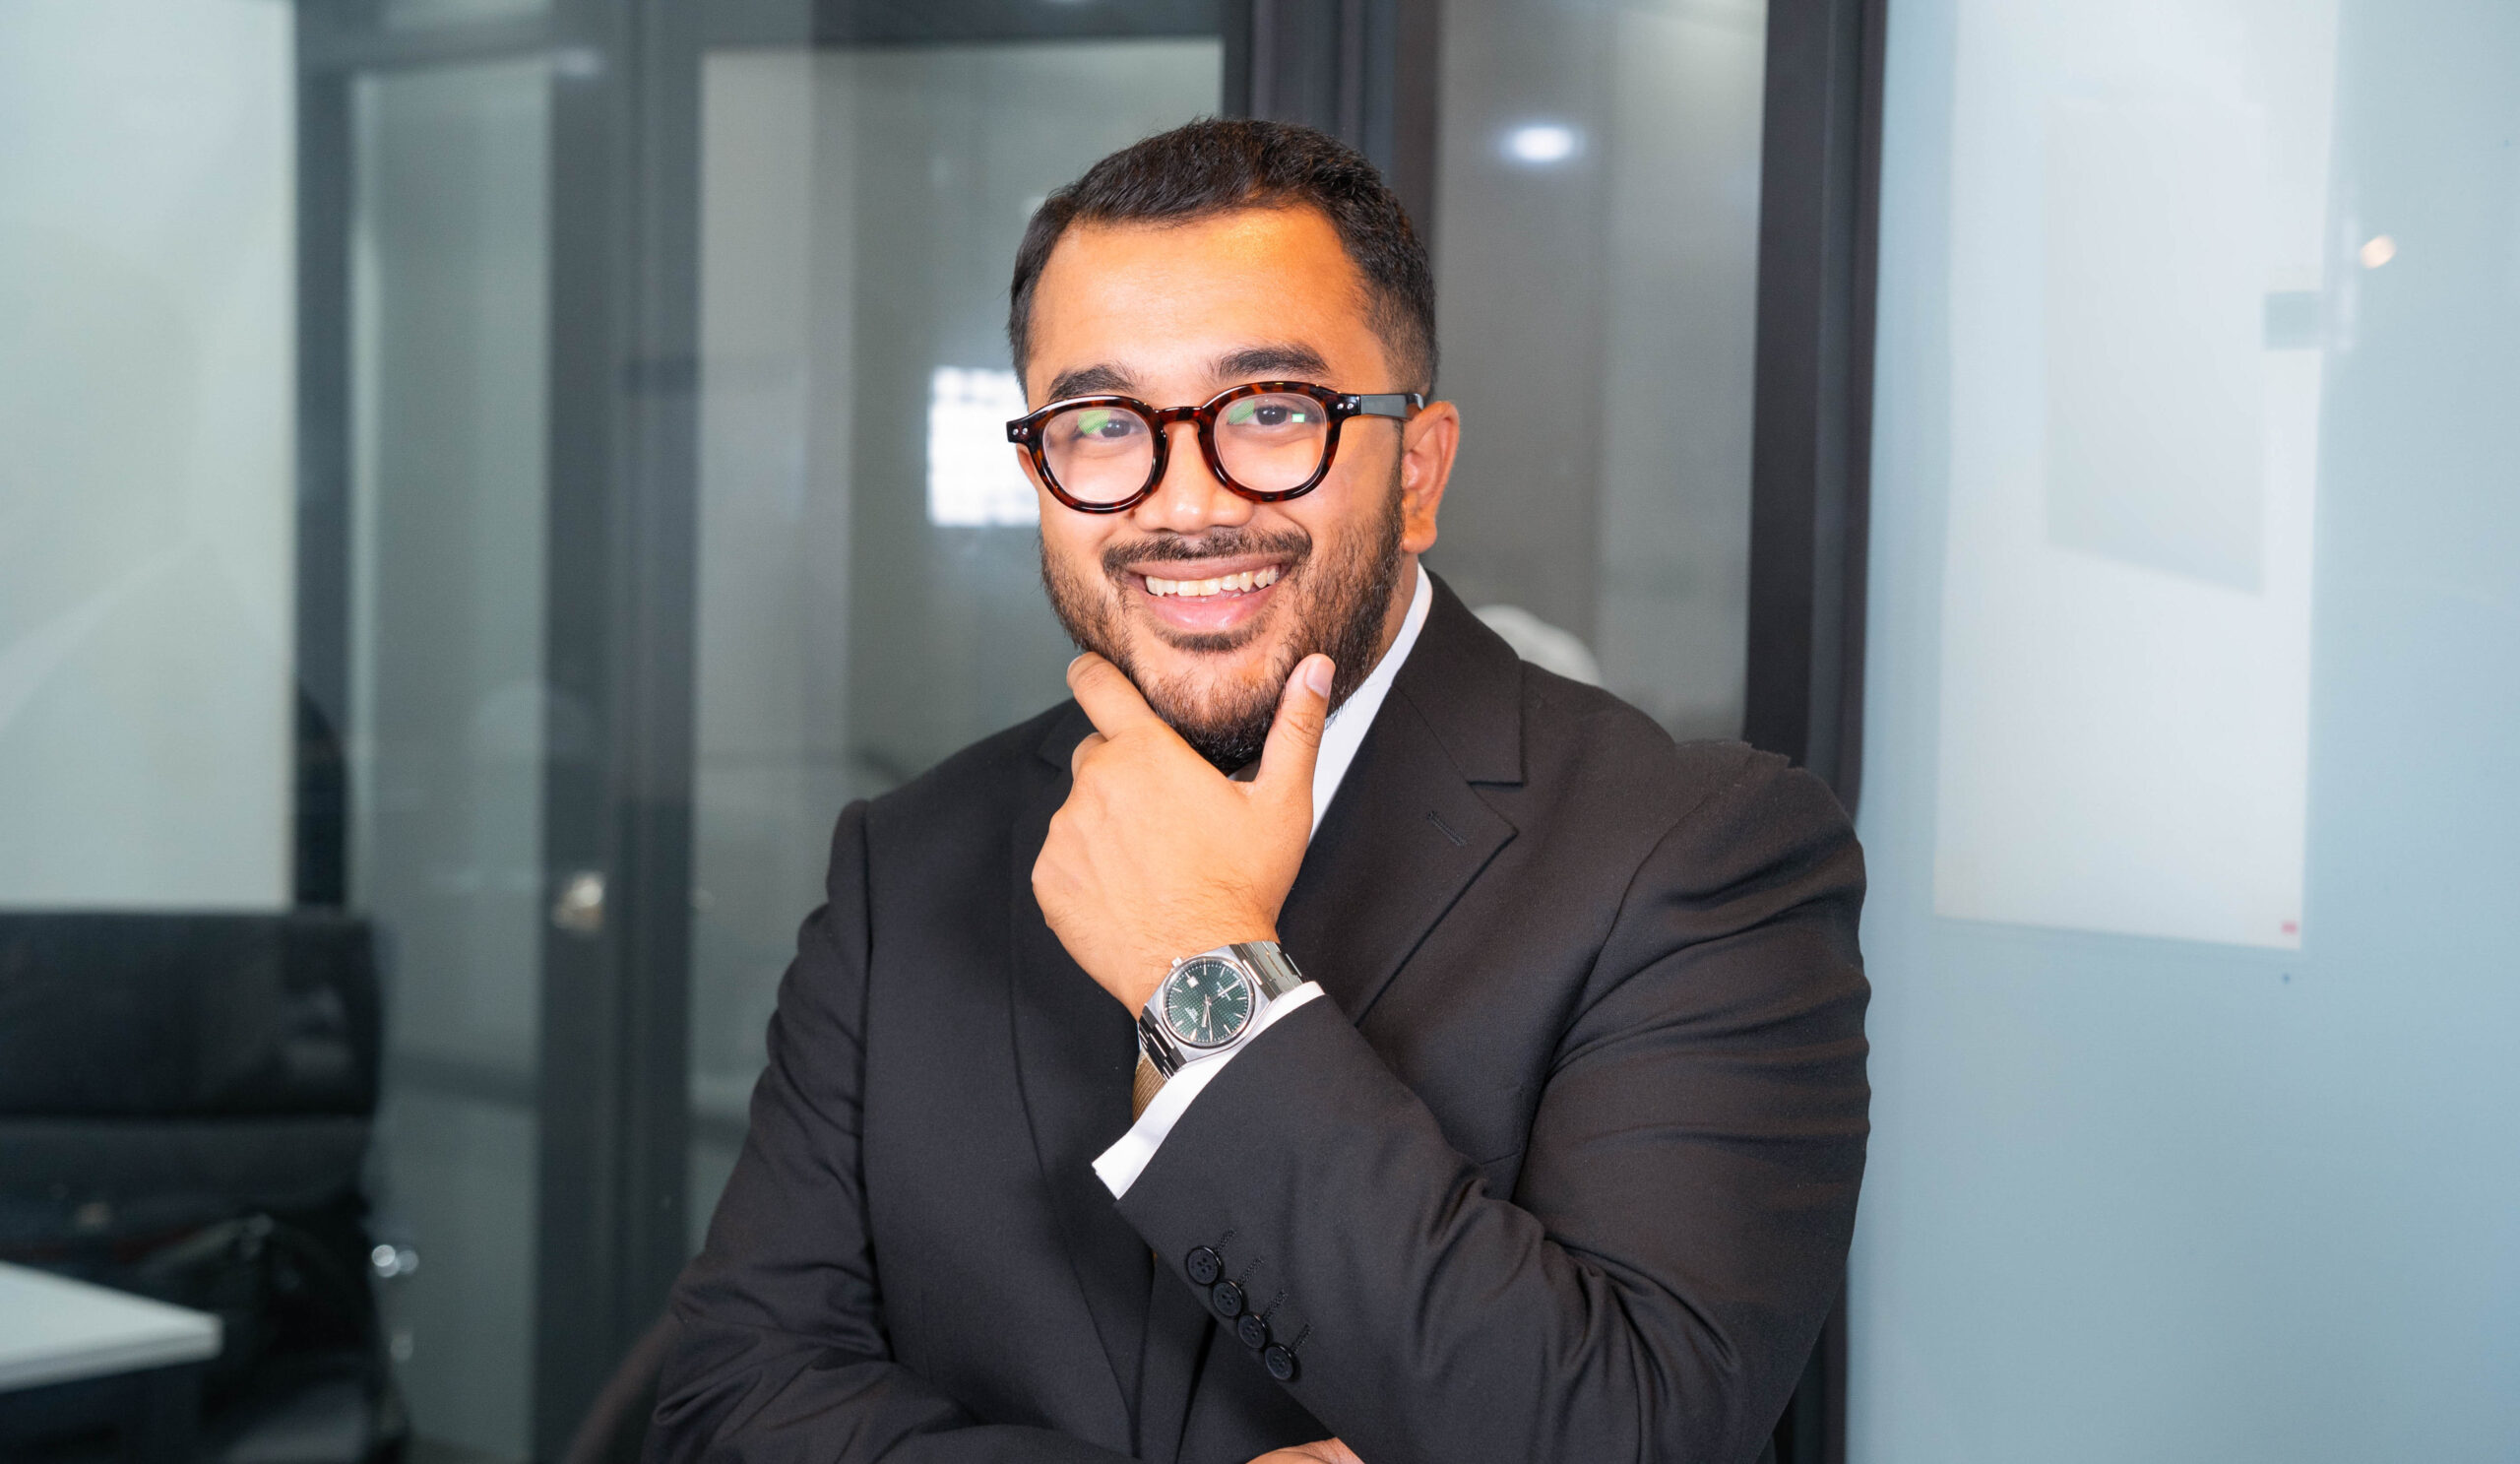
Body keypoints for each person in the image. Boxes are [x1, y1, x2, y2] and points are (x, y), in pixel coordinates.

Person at [650, 118, 1868, 1464]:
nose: (1184, 506)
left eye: (1274, 411)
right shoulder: (910, 859)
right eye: (1101, 424)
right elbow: (728, 1411)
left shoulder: (1697, 857)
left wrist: (1201, 971)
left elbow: (1622, 1436)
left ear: (1418, 471)